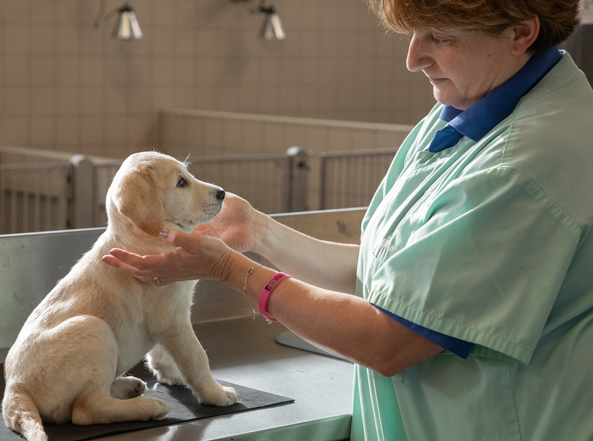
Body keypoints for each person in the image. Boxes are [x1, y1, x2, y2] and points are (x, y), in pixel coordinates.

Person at [103, 0, 593, 439]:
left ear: (520, 34)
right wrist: (259, 231)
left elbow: (391, 341)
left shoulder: (525, 161)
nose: (413, 58)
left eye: (439, 38)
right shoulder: (463, 111)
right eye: (412, 35)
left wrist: (232, 270)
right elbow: (394, 279)